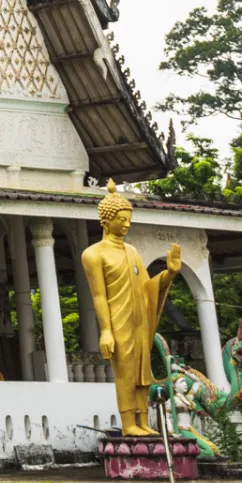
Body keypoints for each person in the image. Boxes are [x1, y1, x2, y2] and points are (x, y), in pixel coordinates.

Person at [80, 181, 182, 436]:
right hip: (118, 320)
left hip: (139, 320)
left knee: (142, 372)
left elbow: (147, 287)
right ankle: (128, 424)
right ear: (106, 220)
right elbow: (99, 297)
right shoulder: (93, 255)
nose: (126, 225)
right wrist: (106, 331)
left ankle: (143, 421)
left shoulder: (132, 251)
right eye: (121, 219)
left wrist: (169, 274)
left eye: (129, 219)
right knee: (125, 373)